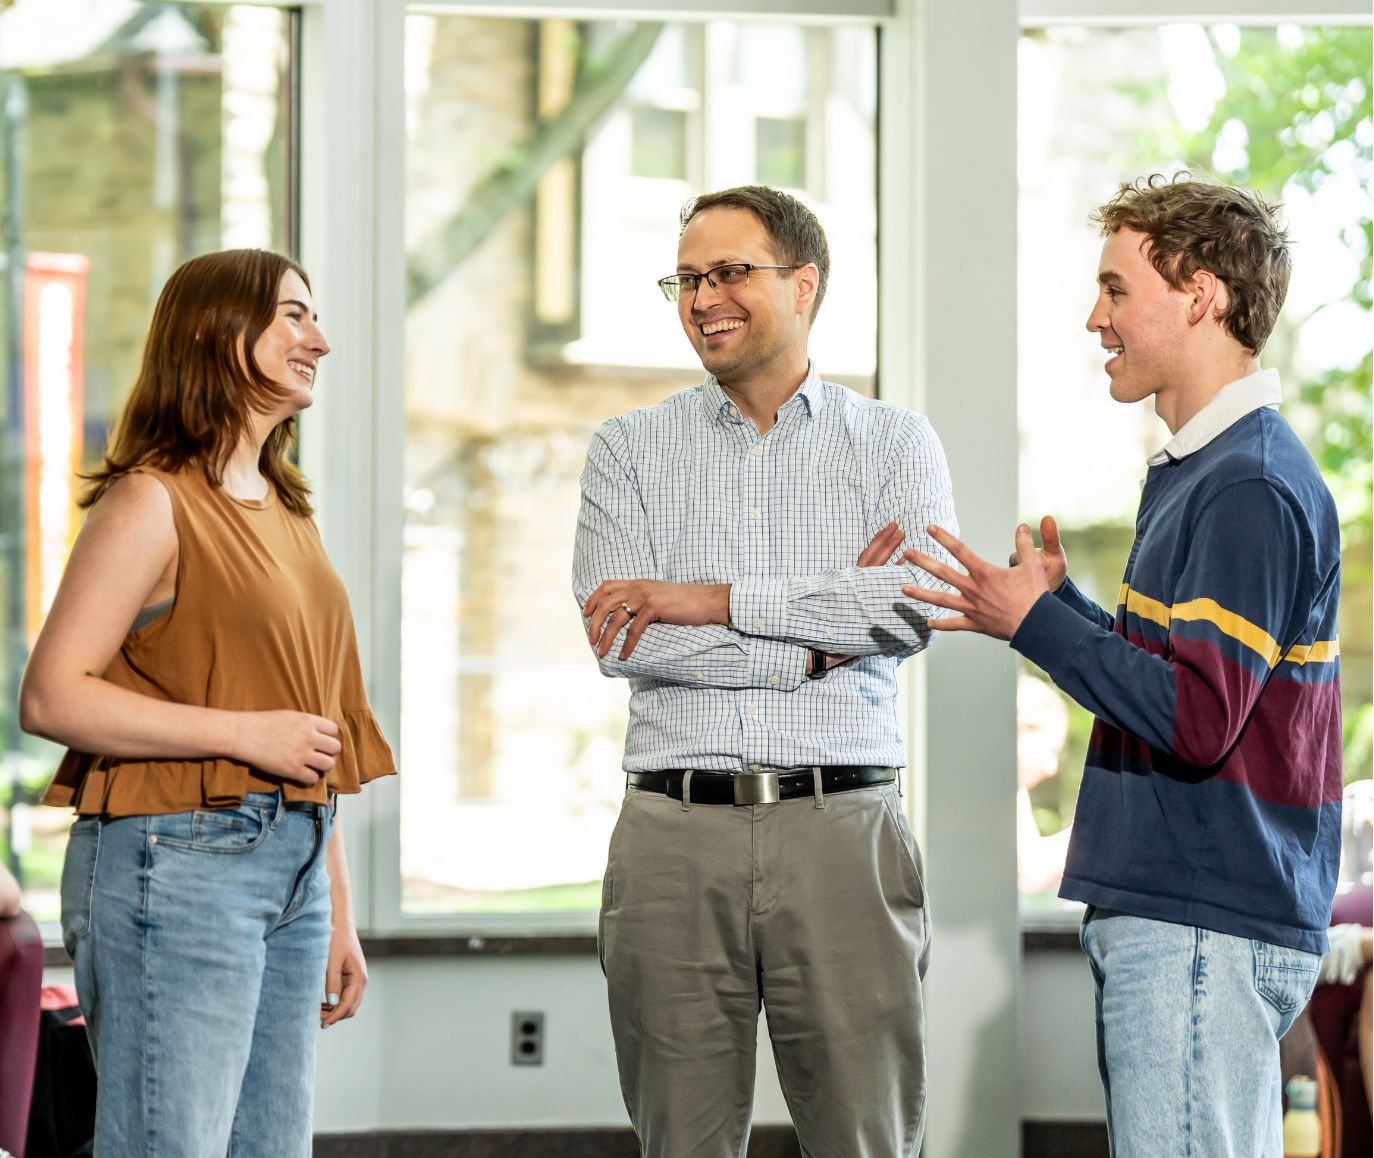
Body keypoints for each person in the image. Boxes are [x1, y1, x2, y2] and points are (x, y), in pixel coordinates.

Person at [903, 174, 1342, 1158]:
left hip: (1201, 926)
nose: (1093, 318)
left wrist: (1036, 628)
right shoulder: (1208, 472)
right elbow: (1193, 681)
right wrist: (1058, 609)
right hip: (1196, 924)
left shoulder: (1247, 484)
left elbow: (1195, 720)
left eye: (1114, 289)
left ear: (1202, 295)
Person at [572, 184, 957, 1157]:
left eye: (730, 272)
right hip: (670, 839)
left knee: (864, 1138)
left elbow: (912, 607)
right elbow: (624, 637)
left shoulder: (894, 443)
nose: (704, 298)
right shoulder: (627, 449)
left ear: (804, 283)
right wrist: (826, 635)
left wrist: (707, 597)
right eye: (688, 279)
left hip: (844, 834)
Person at [19, 248, 396, 1157]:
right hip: (173, 863)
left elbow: (311, 729)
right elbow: (51, 694)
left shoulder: (289, 511)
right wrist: (243, 735)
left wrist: (334, 907)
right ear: (213, 331)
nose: (322, 341)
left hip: (291, 866)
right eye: (294, 316)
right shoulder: (149, 503)